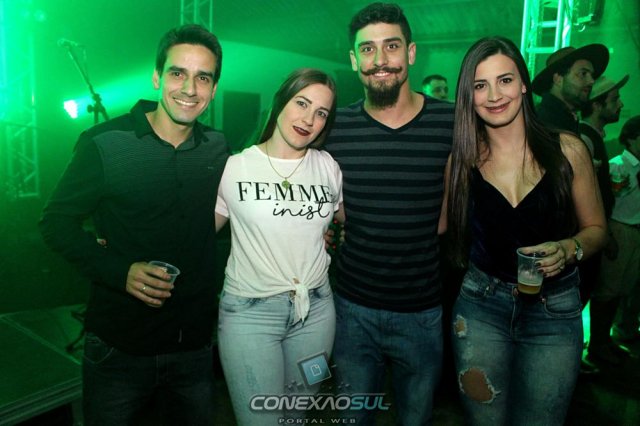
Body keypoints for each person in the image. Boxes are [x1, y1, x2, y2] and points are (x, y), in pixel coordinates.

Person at [39, 25, 227, 425]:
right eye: (177, 73)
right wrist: (118, 270)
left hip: (193, 348)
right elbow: (56, 222)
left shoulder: (217, 148)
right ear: (157, 77)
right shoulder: (105, 142)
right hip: (119, 347)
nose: (189, 88)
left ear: (213, 89)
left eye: (203, 77)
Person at [440, 36, 606, 425]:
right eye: (480, 85)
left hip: (555, 311)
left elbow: (598, 229)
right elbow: (440, 228)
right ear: (469, 96)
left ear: (524, 84)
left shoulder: (567, 150)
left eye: (505, 80)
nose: (494, 95)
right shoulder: (461, 161)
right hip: (480, 307)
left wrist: (569, 248)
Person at [324, 3, 454, 424]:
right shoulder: (335, 127)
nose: (380, 60)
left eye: (391, 46)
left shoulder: (452, 122)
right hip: (351, 311)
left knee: (416, 418)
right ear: (353, 60)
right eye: (367, 49)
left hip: (422, 311)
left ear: (411, 53)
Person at [215, 68, 343, 425]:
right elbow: (194, 234)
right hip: (249, 315)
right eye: (301, 103)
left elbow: (345, 221)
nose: (309, 119)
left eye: (321, 112)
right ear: (280, 102)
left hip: (318, 313)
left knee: (297, 414)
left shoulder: (328, 167)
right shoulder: (235, 167)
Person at [588, 115, 640, 365]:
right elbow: (605, 201)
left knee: (622, 289)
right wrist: (608, 234)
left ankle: (607, 338)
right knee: (607, 290)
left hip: (636, 230)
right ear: (632, 139)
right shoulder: (617, 164)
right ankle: (597, 343)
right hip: (620, 228)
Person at [533, 44, 609, 134]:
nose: (591, 81)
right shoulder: (543, 124)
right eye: (583, 74)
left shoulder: (564, 119)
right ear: (558, 79)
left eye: (591, 75)